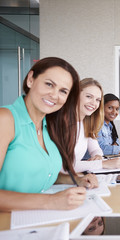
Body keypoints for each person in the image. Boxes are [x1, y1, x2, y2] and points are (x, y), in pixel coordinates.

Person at [0, 57, 98, 212]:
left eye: (63, 91)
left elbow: (41, 174)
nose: (54, 95)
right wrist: (50, 201)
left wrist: (76, 180)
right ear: (31, 80)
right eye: (49, 84)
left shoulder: (48, 127)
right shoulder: (5, 118)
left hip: (33, 222)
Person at [72, 79, 120, 173]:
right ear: (75, 95)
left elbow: (96, 149)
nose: (94, 103)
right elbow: (62, 166)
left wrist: (97, 155)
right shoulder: (63, 124)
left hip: (76, 175)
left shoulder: (87, 123)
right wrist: (102, 163)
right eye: (89, 96)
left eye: (98, 100)